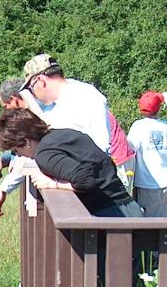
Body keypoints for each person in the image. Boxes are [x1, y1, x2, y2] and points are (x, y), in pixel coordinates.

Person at [0, 108, 142, 219]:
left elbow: (85, 181)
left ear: (26, 142)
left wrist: (53, 184)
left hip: (113, 216)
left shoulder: (44, 155)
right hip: (128, 208)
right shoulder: (58, 134)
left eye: (16, 151)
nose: (19, 155)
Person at [19, 54, 136, 192]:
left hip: (99, 188)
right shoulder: (58, 101)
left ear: (41, 81)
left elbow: (99, 149)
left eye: (32, 88)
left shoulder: (85, 97)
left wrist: (58, 182)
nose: (34, 94)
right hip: (83, 183)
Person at [0, 78, 40, 220]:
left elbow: (30, 157)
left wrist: (3, 190)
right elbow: (26, 149)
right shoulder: (33, 111)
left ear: (14, 99)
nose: (5, 111)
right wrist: (4, 158)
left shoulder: (38, 113)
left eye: (5, 106)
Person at [128, 91, 167, 217]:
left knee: (148, 220)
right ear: (158, 109)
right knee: (164, 217)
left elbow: (130, 147)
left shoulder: (138, 126)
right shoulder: (165, 126)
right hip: (166, 180)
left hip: (146, 182)